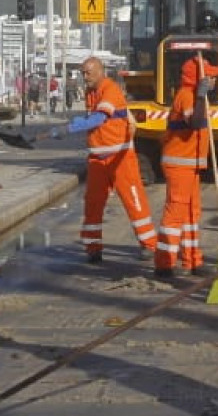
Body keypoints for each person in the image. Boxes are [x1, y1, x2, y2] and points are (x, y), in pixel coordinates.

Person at [64, 56, 159, 263]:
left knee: (133, 200)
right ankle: (92, 247)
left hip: (120, 157)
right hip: (98, 158)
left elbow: (100, 118)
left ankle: (149, 245)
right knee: (93, 203)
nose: (84, 77)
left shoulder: (110, 90)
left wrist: (73, 126)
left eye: (87, 72)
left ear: (100, 71)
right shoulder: (91, 92)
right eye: (82, 73)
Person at [155, 53, 214, 279]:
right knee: (176, 212)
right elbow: (196, 123)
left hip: (190, 165)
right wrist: (200, 96)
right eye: (209, 76)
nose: (213, 80)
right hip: (179, 165)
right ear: (199, 79)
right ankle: (164, 263)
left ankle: (192, 260)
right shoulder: (187, 97)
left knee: (191, 213)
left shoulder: (195, 97)